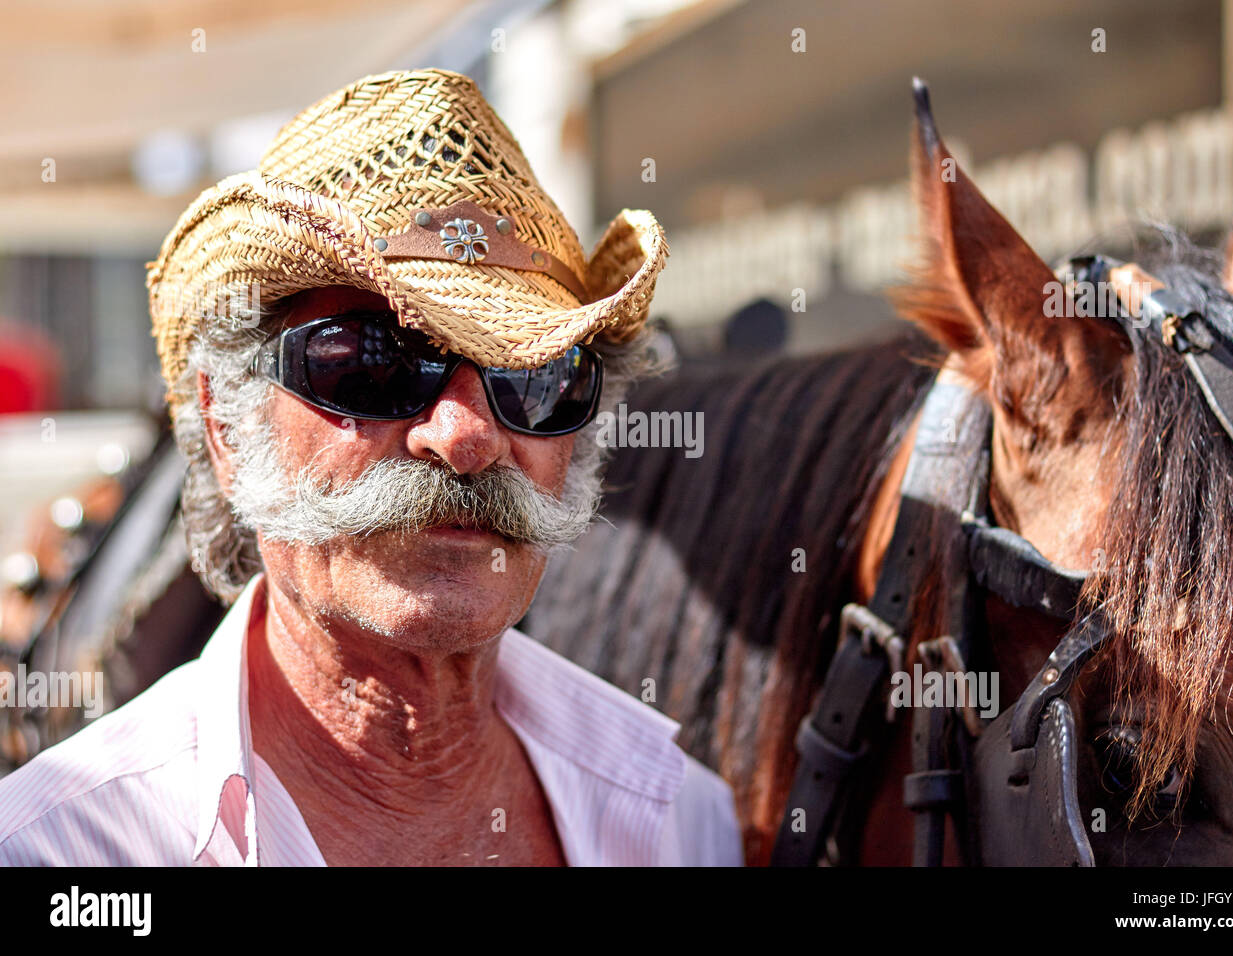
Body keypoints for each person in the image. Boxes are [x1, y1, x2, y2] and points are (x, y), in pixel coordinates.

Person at [0, 68, 742, 866]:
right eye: (371, 363)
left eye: (535, 379)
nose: (465, 437)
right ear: (226, 421)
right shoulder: (63, 851)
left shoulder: (679, 823)